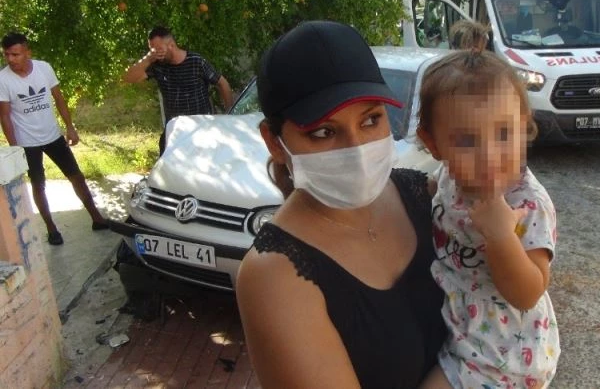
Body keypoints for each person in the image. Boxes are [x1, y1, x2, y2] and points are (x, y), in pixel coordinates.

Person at [235, 20, 447, 388]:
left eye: (371, 120)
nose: (356, 149)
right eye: (324, 132)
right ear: (273, 142)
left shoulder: (425, 196)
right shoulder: (275, 275)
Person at [416, 47, 561, 388]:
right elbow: (433, 196)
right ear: (433, 144)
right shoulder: (449, 178)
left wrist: (501, 237)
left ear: (525, 126)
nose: (489, 155)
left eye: (504, 134)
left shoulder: (527, 205)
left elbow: (529, 292)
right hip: (464, 332)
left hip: (505, 356)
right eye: (467, 140)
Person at [0, 32, 107, 245]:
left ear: (27, 52)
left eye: (15, 54)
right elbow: (5, 116)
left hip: (53, 136)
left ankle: (97, 218)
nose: (11, 59)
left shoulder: (44, 68)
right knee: (38, 185)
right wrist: (15, 149)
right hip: (27, 143)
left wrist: (70, 127)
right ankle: (51, 228)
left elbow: (59, 98)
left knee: (76, 176)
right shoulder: (3, 79)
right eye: (7, 55)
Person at [122, 26, 233, 154]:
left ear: (171, 45)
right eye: (151, 50)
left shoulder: (196, 62)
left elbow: (222, 83)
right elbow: (128, 78)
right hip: (175, 132)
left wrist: (229, 115)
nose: (155, 54)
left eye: (158, 49)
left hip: (202, 129)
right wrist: (148, 58)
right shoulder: (157, 66)